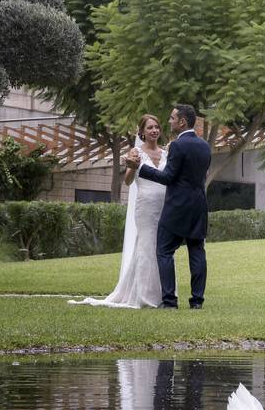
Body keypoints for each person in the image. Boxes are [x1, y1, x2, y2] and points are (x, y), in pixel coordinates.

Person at [70, 114, 167, 308]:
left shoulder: (166, 153)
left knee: (162, 249)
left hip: (164, 206)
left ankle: (164, 294)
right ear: (142, 132)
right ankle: (143, 295)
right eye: (150, 128)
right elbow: (129, 181)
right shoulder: (136, 151)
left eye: (157, 127)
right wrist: (132, 165)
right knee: (147, 247)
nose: (154, 130)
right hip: (146, 206)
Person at [127, 104, 210, 309]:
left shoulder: (178, 146)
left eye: (172, 118)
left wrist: (141, 168)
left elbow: (168, 177)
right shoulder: (204, 146)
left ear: (182, 122)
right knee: (197, 251)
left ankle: (170, 301)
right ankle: (197, 301)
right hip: (199, 206)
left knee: (164, 250)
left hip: (176, 207)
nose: (169, 122)